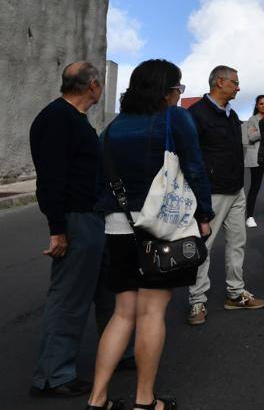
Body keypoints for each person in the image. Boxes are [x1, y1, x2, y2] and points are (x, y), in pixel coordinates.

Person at [87, 59, 214, 410]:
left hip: (118, 225)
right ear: (166, 90)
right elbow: (194, 168)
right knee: (152, 313)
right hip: (162, 225)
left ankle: (97, 399)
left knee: (122, 313)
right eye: (178, 88)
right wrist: (204, 213)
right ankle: (145, 401)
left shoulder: (113, 128)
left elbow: (99, 182)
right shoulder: (174, 118)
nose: (179, 94)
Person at [29, 63, 115, 399]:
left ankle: (117, 351)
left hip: (93, 217)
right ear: (92, 86)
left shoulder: (76, 119)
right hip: (76, 220)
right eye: (100, 84)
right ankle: (53, 376)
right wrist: (58, 230)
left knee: (108, 289)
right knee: (69, 298)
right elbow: (51, 180)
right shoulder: (57, 119)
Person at [186, 66, 264, 326]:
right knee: (204, 247)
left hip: (236, 190)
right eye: (235, 82)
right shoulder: (197, 114)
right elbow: (190, 158)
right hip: (211, 193)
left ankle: (236, 293)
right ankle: (197, 300)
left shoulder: (232, 116)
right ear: (219, 82)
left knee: (237, 244)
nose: (239, 88)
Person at [243, 95, 264, 227]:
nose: (263, 106)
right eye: (261, 104)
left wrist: (259, 131)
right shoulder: (252, 120)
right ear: (257, 105)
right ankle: (249, 216)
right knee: (255, 187)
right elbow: (251, 137)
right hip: (256, 158)